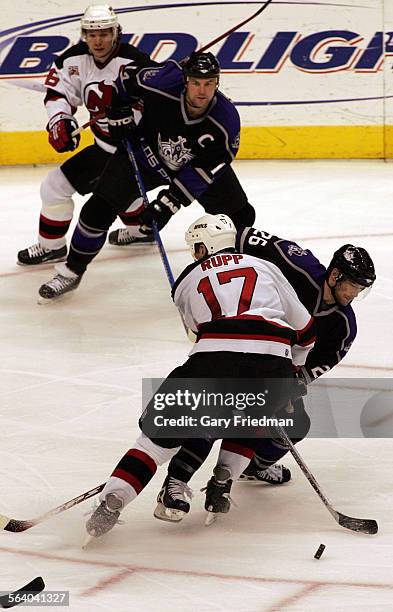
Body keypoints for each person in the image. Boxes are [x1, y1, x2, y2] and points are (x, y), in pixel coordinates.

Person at [84, 214, 315, 538]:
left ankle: (115, 496)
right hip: (271, 363)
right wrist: (290, 371)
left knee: (154, 443)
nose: (195, 255)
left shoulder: (186, 281)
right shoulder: (264, 266)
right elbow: (305, 329)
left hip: (211, 361)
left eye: (196, 248)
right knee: (250, 420)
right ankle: (224, 476)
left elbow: (195, 331)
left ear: (207, 246)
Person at [155, 227, 376, 522]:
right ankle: (177, 478)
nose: (354, 294)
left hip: (276, 368)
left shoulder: (343, 326)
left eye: (360, 289)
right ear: (335, 275)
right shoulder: (300, 266)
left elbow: (321, 364)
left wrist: (293, 384)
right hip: (239, 347)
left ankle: (247, 468)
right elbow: (243, 235)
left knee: (295, 422)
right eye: (352, 285)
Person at [37, 51, 255, 302]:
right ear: (185, 80)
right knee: (96, 210)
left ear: (218, 83)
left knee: (241, 215)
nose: (202, 91)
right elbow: (125, 78)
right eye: (195, 82)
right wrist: (119, 110)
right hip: (144, 158)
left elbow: (208, 169)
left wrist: (168, 203)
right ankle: (71, 272)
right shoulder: (164, 80)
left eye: (209, 83)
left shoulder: (225, 121)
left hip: (191, 168)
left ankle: (243, 271)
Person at [17, 4, 152, 267]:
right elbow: (58, 95)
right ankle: (139, 231)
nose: (98, 40)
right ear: (84, 34)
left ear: (116, 33)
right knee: (59, 188)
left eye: (104, 33)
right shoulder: (72, 60)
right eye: (92, 34)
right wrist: (61, 120)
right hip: (104, 147)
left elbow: (159, 101)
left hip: (134, 149)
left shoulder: (136, 62)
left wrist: (134, 111)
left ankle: (139, 230)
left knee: (109, 191)